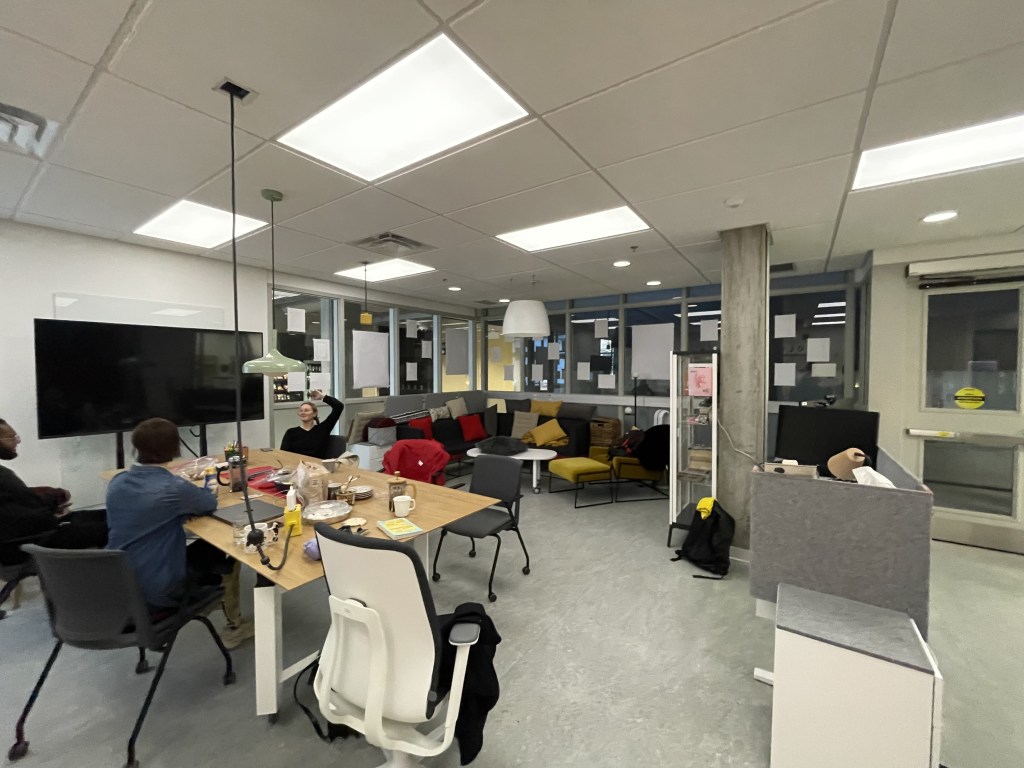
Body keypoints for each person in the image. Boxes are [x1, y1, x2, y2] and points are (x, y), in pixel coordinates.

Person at [105, 418, 253, 648]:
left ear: (135, 448)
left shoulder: (117, 482)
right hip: (160, 591)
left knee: (204, 546)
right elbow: (207, 502)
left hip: (118, 582)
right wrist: (206, 482)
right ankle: (234, 622)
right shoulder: (174, 488)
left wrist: (177, 513)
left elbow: (146, 514)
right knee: (226, 547)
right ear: (175, 449)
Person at [0, 418, 107, 560]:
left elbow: (19, 503)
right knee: (111, 528)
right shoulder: (3, 477)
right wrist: (53, 509)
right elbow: (21, 516)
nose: (17, 441)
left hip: (30, 532)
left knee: (106, 515)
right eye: (12, 437)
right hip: (29, 542)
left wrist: (51, 505)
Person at [280, 389, 344, 459]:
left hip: (317, 466)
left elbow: (339, 406)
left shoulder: (322, 429)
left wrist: (322, 396)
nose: (303, 412)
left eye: (306, 410)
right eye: (301, 411)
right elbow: (283, 454)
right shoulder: (291, 432)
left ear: (314, 414)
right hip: (297, 466)